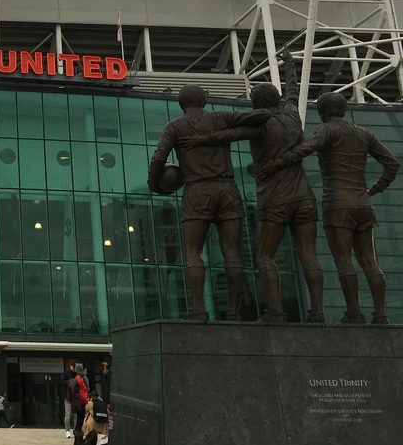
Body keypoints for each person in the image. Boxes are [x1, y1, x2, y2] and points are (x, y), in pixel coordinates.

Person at [178, 47, 325, 323]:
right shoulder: (292, 114)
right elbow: (292, 91)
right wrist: (289, 65)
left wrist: (200, 140)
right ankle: (317, 312)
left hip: (275, 198)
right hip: (305, 197)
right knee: (308, 254)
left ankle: (276, 312)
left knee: (265, 256)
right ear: (277, 99)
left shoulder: (261, 124)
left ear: (254, 104)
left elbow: (231, 134)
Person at [260, 91, 399, 324]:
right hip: (364, 205)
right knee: (369, 262)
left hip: (338, 205)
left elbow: (304, 149)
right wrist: (374, 189)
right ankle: (381, 314)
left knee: (344, 262)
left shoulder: (326, 130)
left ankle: (354, 313)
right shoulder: (364, 133)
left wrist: (276, 164)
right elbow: (392, 164)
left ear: (323, 112)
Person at [148, 86, 271, 320]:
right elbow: (263, 115)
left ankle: (198, 310)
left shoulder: (175, 126)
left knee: (193, 252)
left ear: (181, 105)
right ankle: (234, 312)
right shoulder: (220, 117)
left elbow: (159, 158)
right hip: (227, 188)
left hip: (197, 190)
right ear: (204, 100)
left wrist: (154, 184)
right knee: (233, 253)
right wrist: (225, 134)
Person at [68, 368, 89, 445]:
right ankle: (78, 440)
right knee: (80, 420)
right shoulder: (80, 379)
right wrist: (86, 400)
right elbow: (84, 391)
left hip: (79, 402)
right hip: (81, 402)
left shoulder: (77, 379)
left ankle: (77, 440)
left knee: (79, 420)